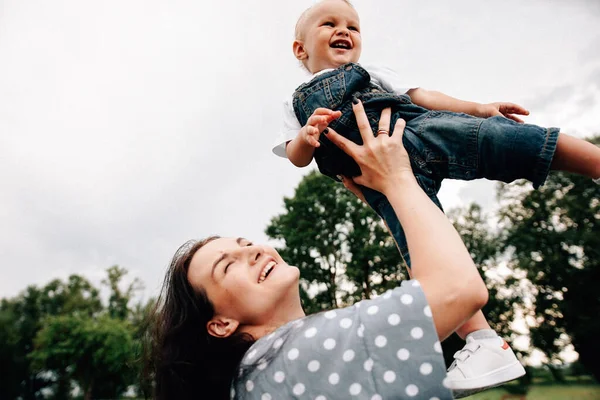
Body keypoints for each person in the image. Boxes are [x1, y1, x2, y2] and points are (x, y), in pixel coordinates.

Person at [272, 0, 600, 394]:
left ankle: (595, 163)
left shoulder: (371, 74)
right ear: (300, 49)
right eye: (329, 24)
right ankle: (484, 343)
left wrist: (478, 108)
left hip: (420, 128)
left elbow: (424, 96)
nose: (345, 31)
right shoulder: (296, 101)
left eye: (353, 27)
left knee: (496, 137)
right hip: (378, 179)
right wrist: (307, 138)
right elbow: (294, 155)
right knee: (425, 251)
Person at [149, 102, 510, 399]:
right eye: (228, 266)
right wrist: (397, 178)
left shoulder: (261, 377)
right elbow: (459, 289)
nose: (253, 251)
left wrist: (390, 199)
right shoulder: (291, 356)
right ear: (220, 323)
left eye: (246, 243)